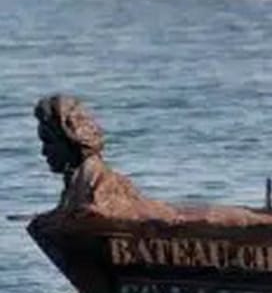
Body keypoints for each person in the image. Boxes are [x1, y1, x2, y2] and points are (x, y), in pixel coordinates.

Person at [34, 94, 175, 219]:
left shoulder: (98, 184)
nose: (44, 152)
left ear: (71, 141)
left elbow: (103, 213)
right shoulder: (75, 184)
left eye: (49, 143)